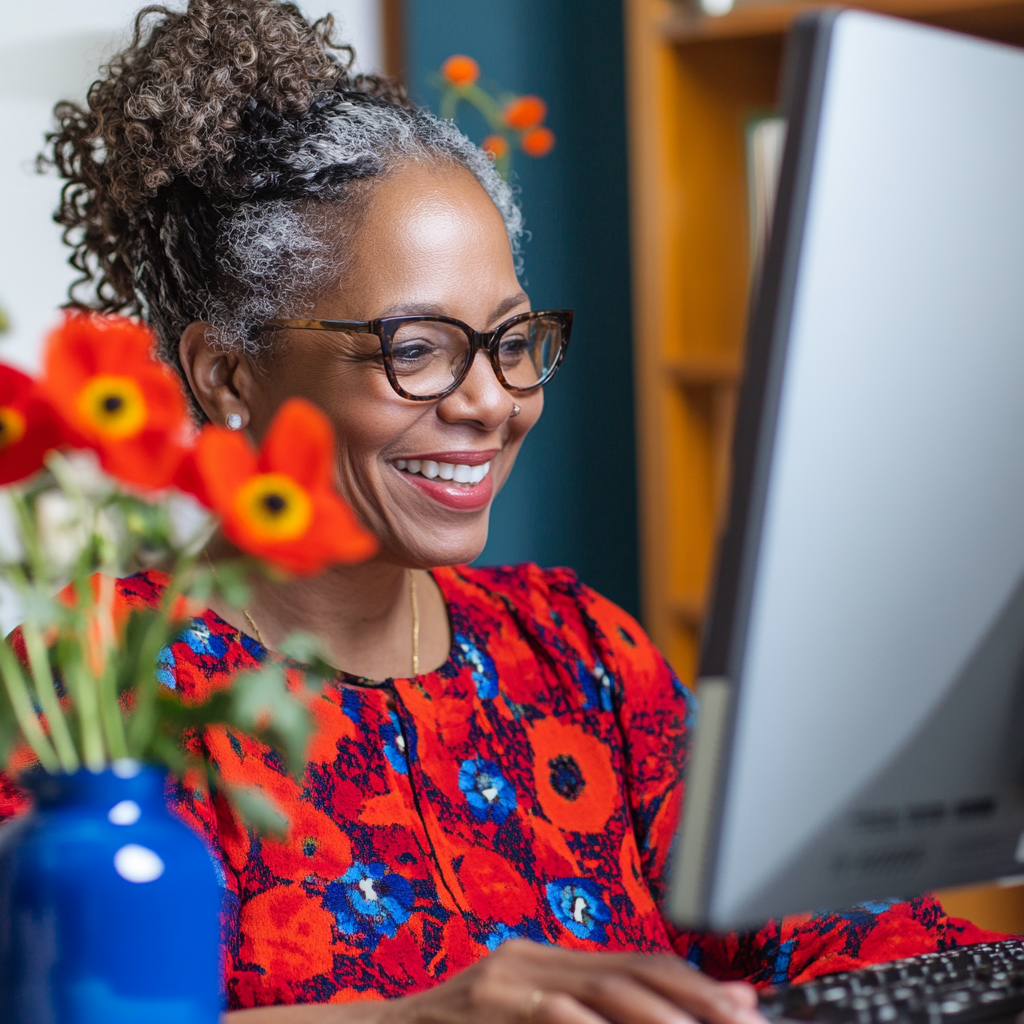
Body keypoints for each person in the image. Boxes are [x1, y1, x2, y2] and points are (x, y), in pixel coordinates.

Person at [24, 1, 1002, 1020]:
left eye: (511, 338)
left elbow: (837, 928)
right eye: (415, 349)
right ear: (226, 374)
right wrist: (421, 1017)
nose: (490, 399)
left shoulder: (577, 650)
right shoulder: (96, 694)